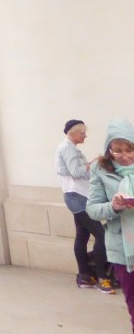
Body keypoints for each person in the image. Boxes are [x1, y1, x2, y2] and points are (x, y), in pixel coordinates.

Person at [87, 118, 134, 332]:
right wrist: (113, 207)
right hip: (123, 250)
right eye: (118, 151)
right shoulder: (100, 168)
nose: (124, 156)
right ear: (109, 149)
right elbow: (93, 208)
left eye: (129, 150)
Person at [55, 119, 112, 292]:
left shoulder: (67, 148)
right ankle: (102, 277)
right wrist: (94, 163)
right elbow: (77, 172)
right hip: (77, 197)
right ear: (73, 133)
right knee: (101, 235)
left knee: (82, 235)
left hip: (76, 196)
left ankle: (85, 275)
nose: (85, 135)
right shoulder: (68, 148)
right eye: (82, 133)